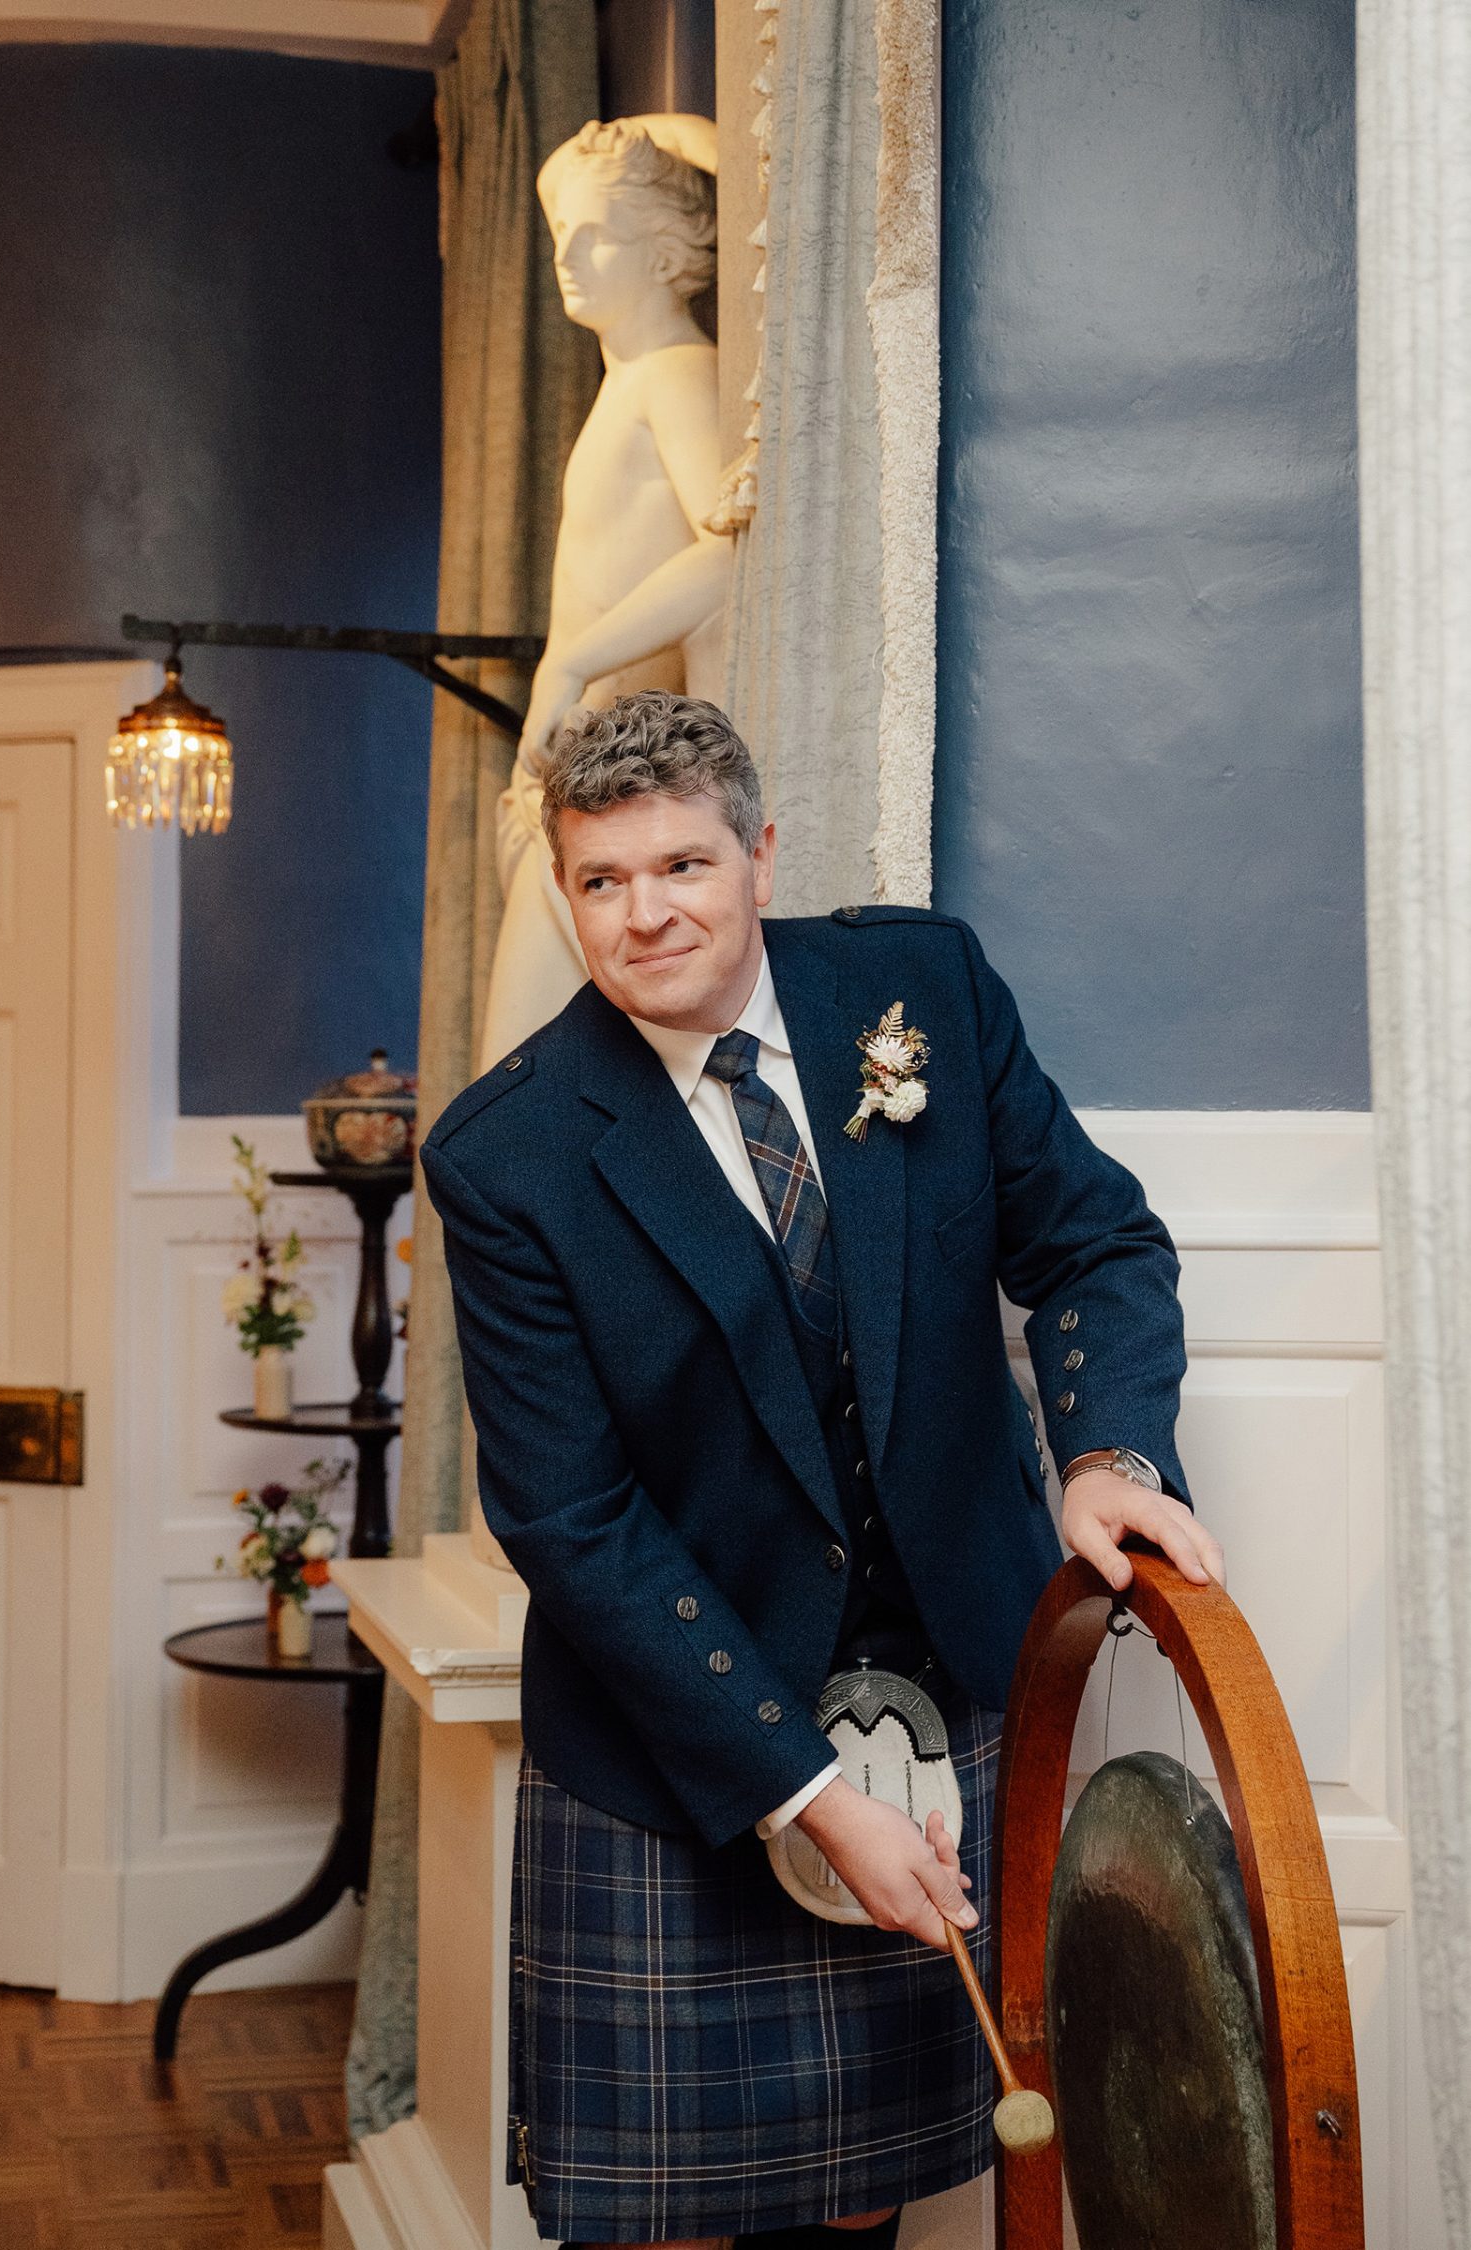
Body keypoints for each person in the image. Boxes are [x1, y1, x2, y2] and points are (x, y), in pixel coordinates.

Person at [420, 692, 1225, 2250]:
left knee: (859, 2201)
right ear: (565, 888)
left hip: (943, 1689)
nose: (645, 913)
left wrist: (1108, 1447)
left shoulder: (919, 987)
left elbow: (1096, 1241)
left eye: (682, 865)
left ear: (761, 853)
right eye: (600, 879)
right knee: (655, 2224)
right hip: (675, 1744)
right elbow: (568, 1518)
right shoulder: (504, 1155)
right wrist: (795, 1783)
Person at [481, 114, 730, 1070]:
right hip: (579, 783)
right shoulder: (628, 383)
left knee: (523, 1085)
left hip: (627, 790)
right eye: (559, 237)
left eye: (596, 234)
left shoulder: (678, 373)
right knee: (532, 1093)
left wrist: (574, 661)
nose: (568, 257)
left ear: (669, 250)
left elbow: (726, 552)